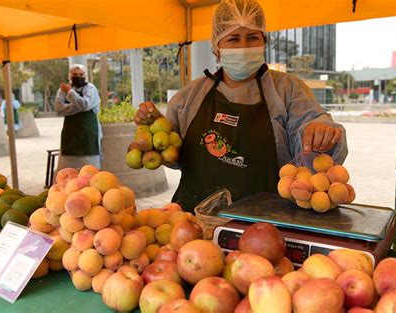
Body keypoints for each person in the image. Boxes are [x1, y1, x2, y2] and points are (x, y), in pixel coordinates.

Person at [134, 0, 348, 212]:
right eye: (234, 39)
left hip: (266, 226)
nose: (244, 47)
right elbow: (173, 156)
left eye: (252, 37)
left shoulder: (287, 90)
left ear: (264, 41)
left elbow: (313, 139)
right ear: (217, 47)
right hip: (193, 222)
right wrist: (153, 131)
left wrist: (322, 133)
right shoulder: (188, 97)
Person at [54, 64, 102, 171]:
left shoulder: (91, 89)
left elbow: (85, 104)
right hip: (70, 136)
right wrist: (79, 105)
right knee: (68, 171)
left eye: (81, 74)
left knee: (90, 170)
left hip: (88, 135)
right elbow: (59, 109)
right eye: (75, 74)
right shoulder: (62, 90)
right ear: (70, 76)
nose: (78, 76)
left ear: (86, 76)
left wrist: (70, 93)